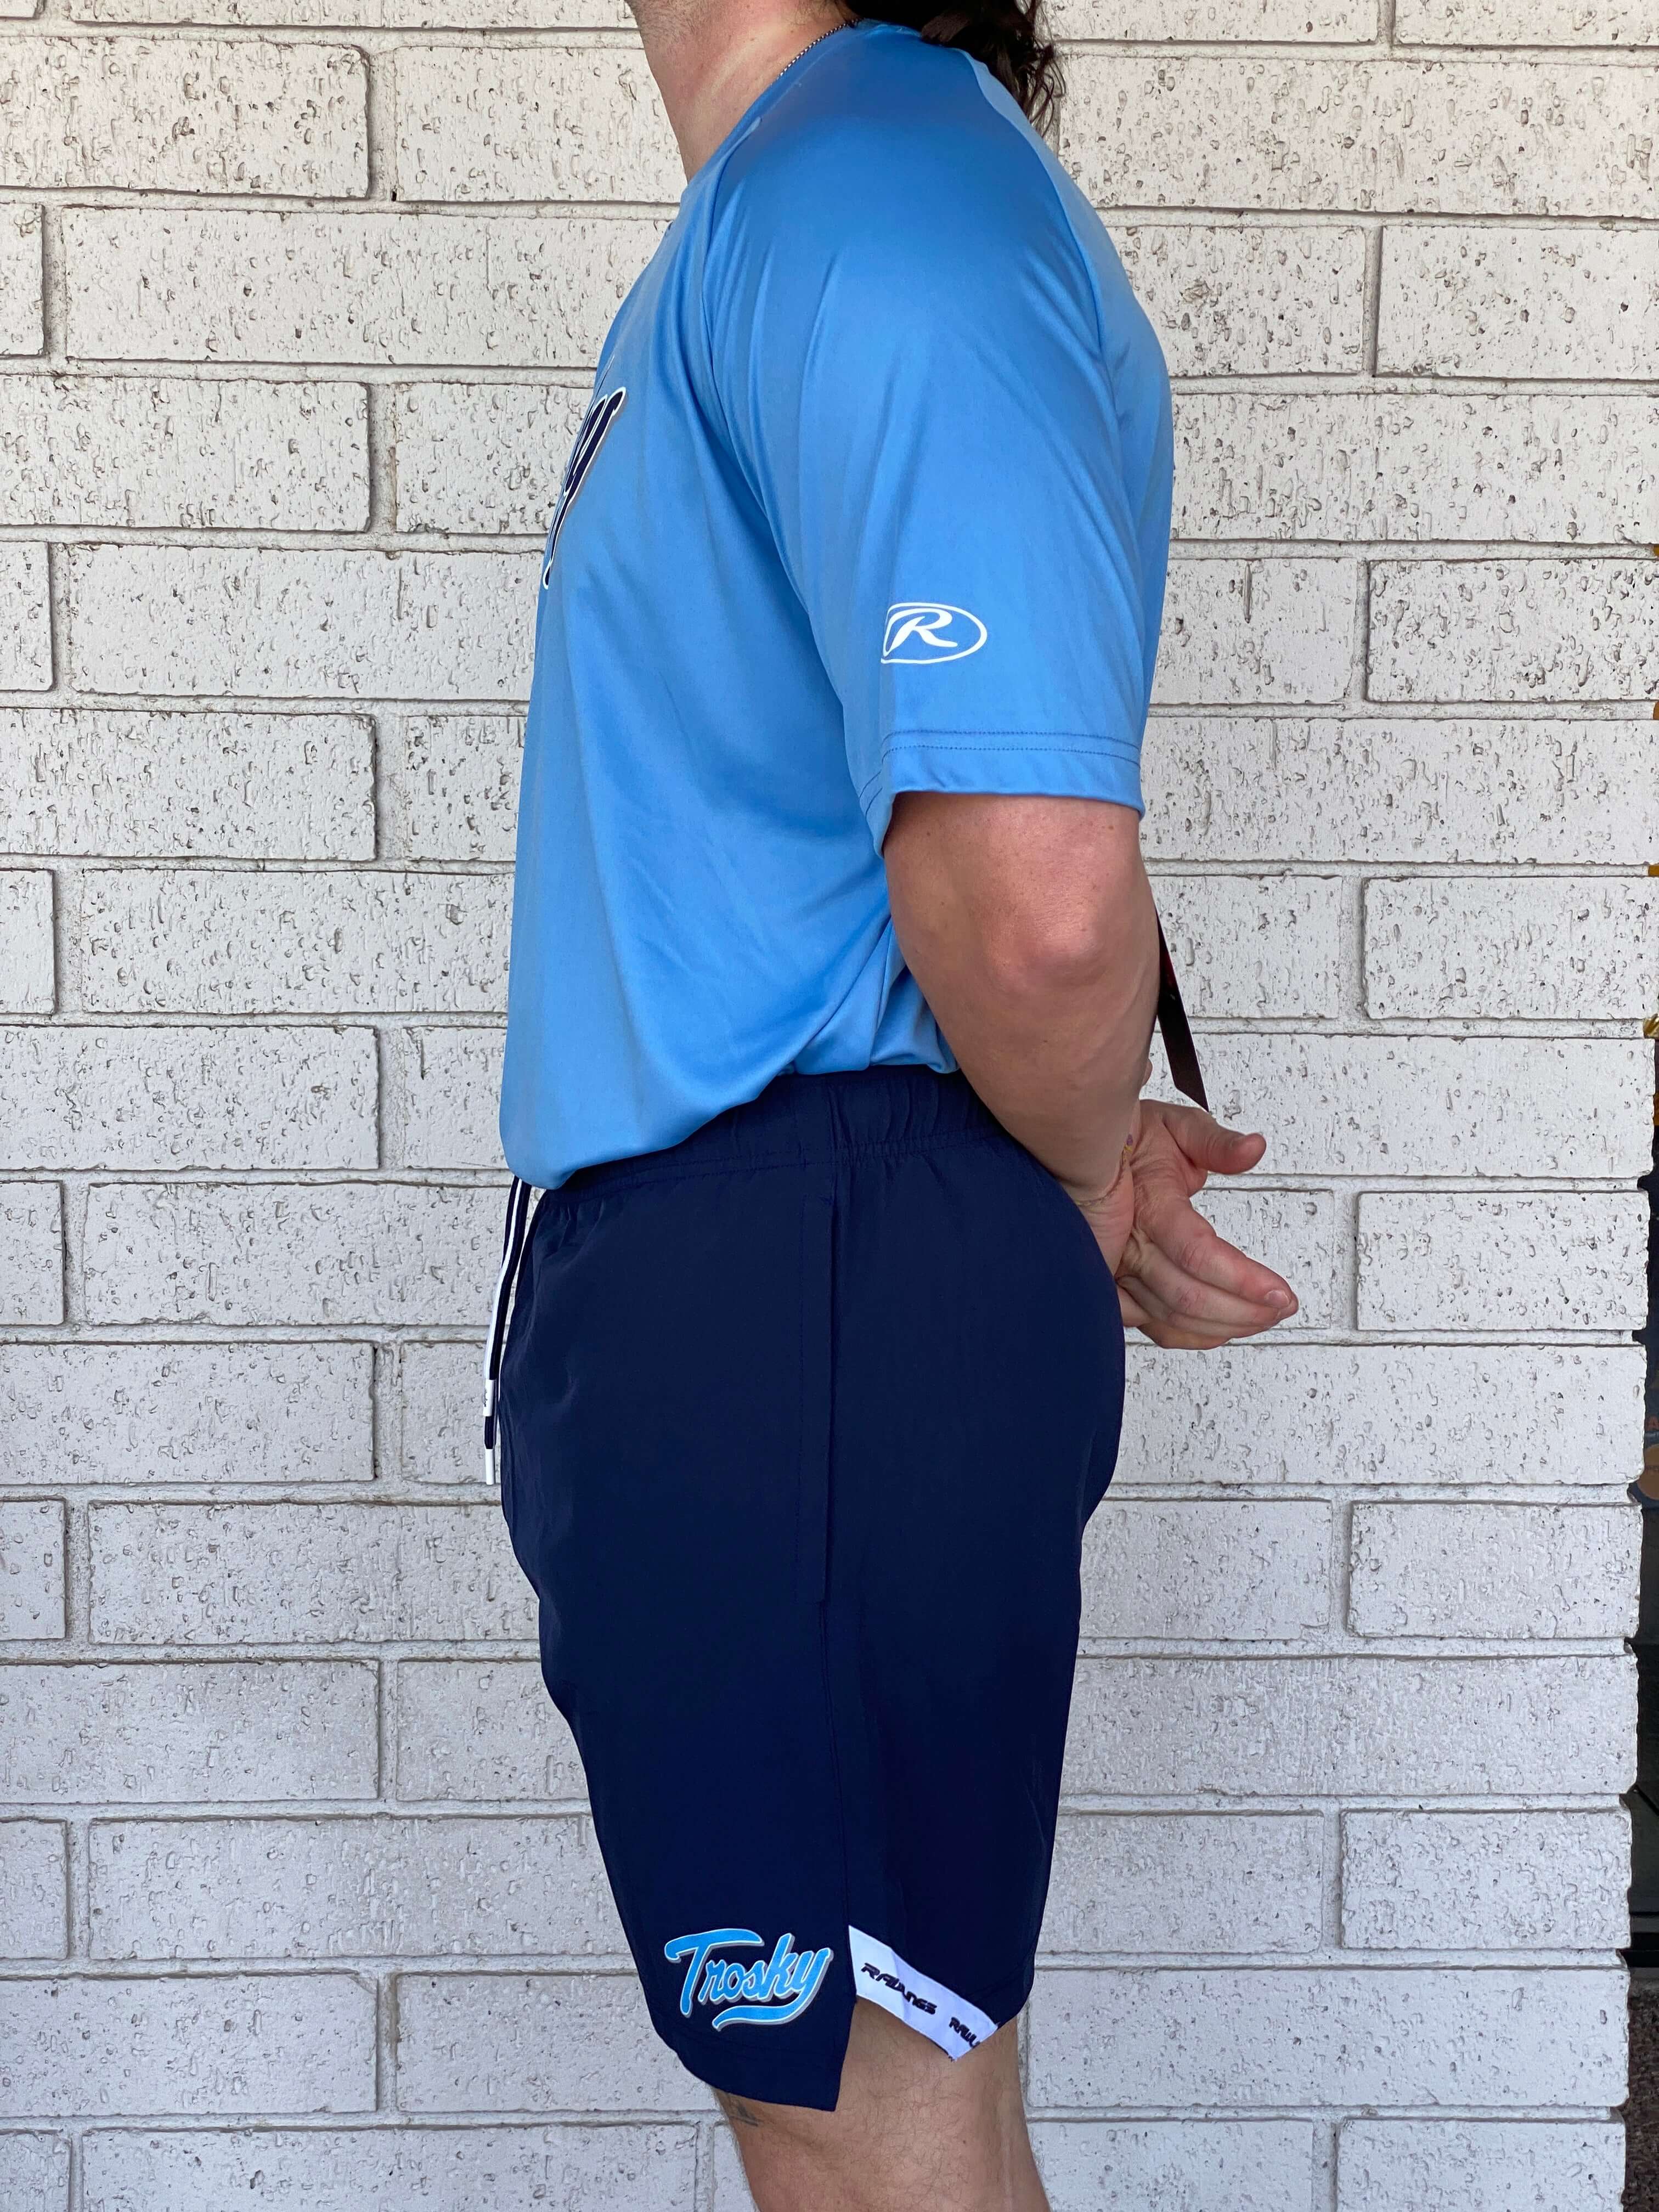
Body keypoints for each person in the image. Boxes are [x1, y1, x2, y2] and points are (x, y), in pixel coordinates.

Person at [482, 2, 1300, 2204]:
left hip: (800, 1286)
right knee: (864, 2100)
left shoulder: (879, 195)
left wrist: (1060, 1162)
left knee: (864, 2118)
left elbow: (1035, 910)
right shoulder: (810, 199)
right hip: (775, 1283)